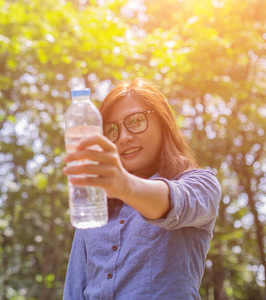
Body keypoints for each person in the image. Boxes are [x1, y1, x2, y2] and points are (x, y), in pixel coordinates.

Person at [62, 77, 221, 299]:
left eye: (136, 121)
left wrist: (123, 185)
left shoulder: (201, 184)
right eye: (111, 130)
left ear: (163, 123)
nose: (124, 137)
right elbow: (75, 289)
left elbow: (175, 202)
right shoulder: (94, 207)